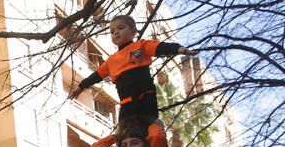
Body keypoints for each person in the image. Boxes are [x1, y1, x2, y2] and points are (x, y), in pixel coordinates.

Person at [69, 15, 197, 121]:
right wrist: (81, 87)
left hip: (146, 98)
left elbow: (159, 47)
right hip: (126, 103)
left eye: (120, 28)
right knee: (125, 135)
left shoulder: (141, 45)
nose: (116, 33)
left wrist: (179, 49)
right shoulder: (111, 61)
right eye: (112, 32)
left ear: (133, 31)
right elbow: (95, 76)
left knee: (149, 129)